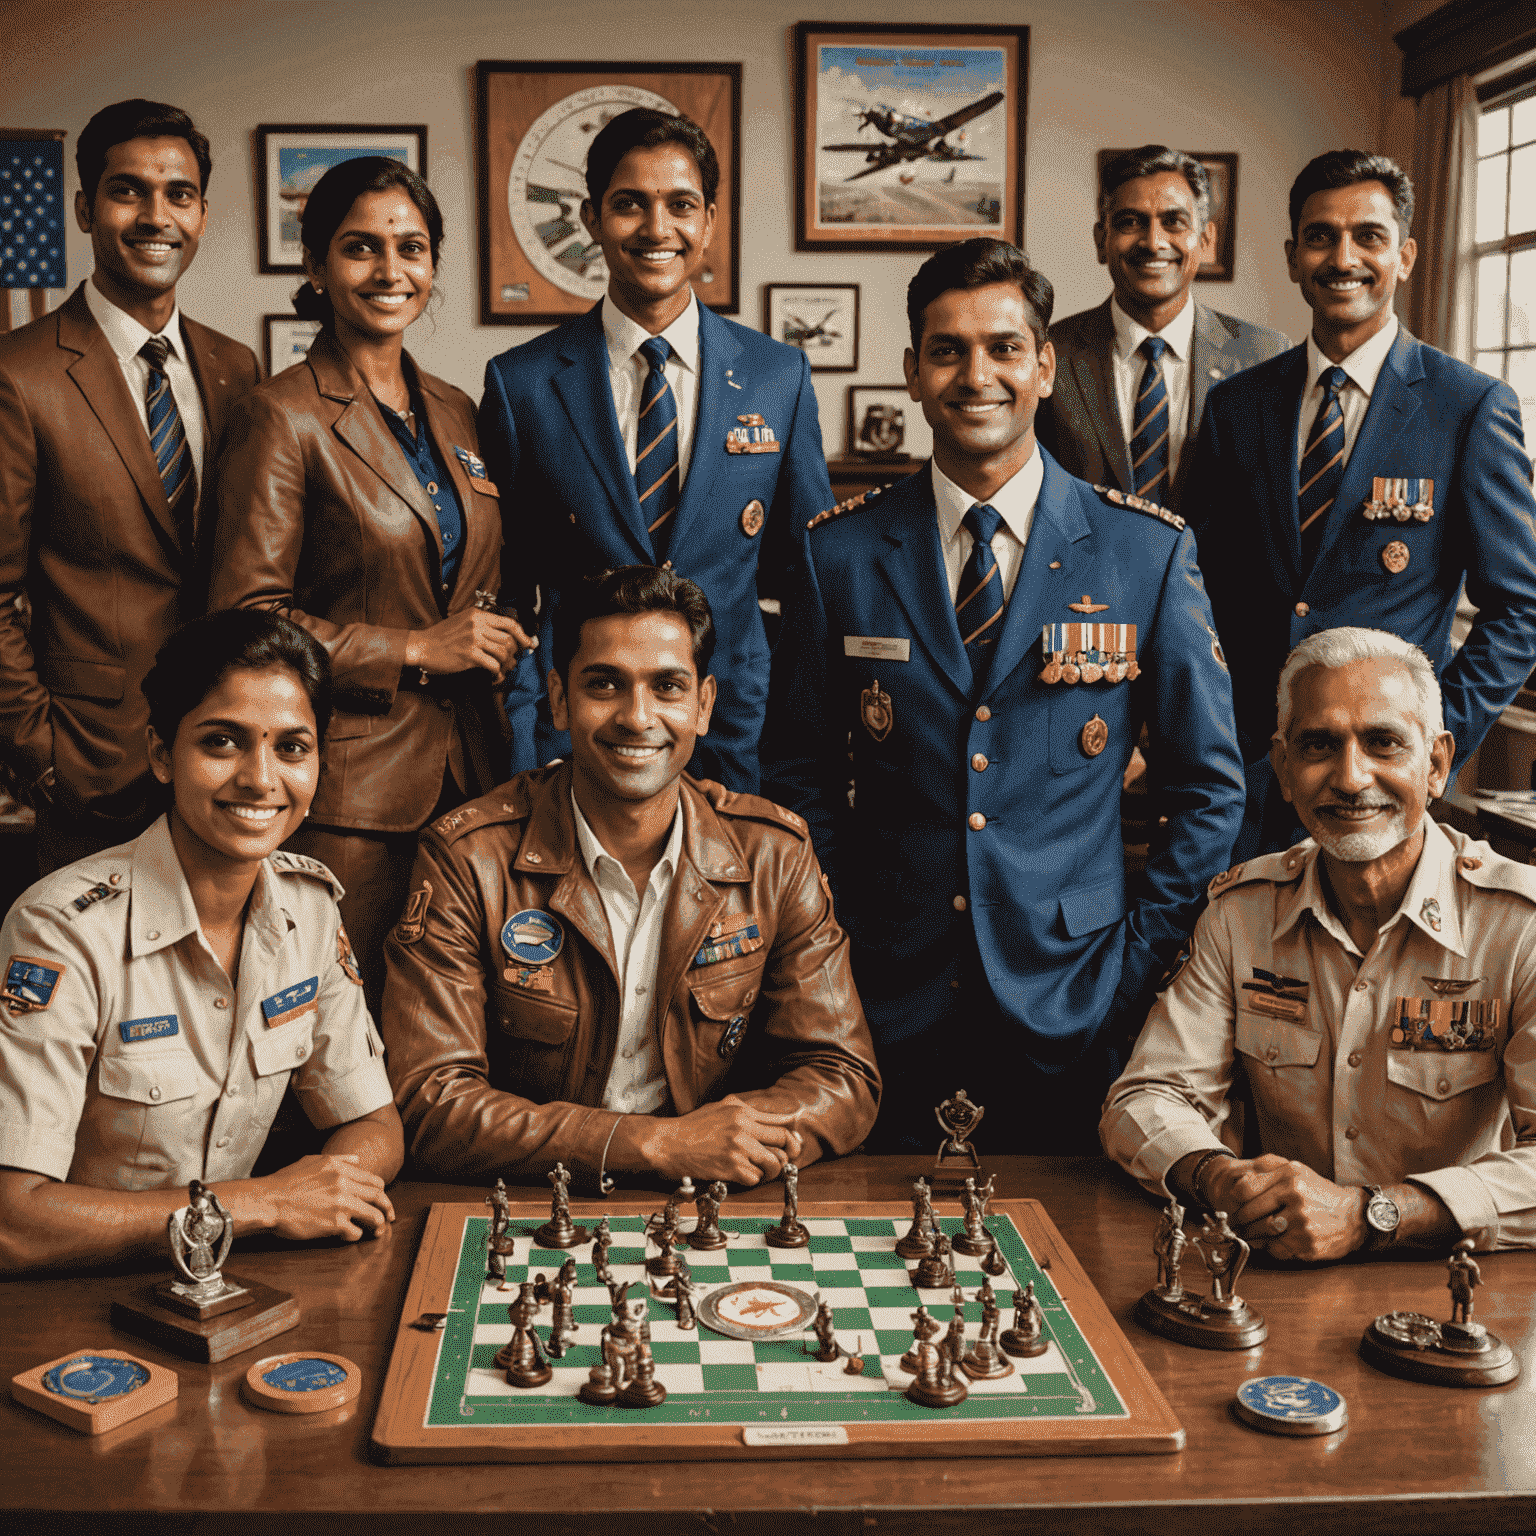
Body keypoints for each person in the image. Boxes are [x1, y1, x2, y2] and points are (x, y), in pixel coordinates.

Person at [760, 238, 1244, 1153]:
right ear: (911, 371)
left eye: (1003, 348)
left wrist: (1139, 956)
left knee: (1059, 1267)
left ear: (1045, 366)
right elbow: (796, 774)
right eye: (947, 350)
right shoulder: (840, 554)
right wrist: (839, 935)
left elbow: (1209, 788)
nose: (975, 375)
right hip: (883, 990)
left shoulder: (1144, 553)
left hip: (1077, 997)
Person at [381, 565, 880, 1189]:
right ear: (560, 700)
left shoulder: (774, 856)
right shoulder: (468, 859)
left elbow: (840, 1076)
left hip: (716, 1205)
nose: (637, 717)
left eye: (668, 687)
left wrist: (730, 1139)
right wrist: (655, 1146)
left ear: (704, 706)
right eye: (605, 685)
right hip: (535, 1208)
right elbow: (429, 1099)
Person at [1102, 627, 1536, 1258]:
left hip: (1456, 1287)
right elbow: (1148, 1095)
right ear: (1282, 770)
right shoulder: (1241, 916)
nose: (1352, 777)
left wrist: (1373, 1215)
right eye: (1319, 746)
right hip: (1274, 1277)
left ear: (1437, 765)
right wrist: (1217, 1177)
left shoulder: (1518, 926)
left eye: (1384, 743)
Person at [210, 156, 531, 1008]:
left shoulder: (460, 409)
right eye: (361, 248)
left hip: (478, 778)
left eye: (411, 247)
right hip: (355, 793)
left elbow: (473, 574)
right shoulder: (282, 413)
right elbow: (244, 619)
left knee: (457, 1026)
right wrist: (418, 649)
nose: (391, 271)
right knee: (338, 1027)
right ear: (315, 267)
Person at [0, 608, 402, 1274]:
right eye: (222, 742)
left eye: (292, 748)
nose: (260, 778)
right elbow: (12, 1222)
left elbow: (374, 1125)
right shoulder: (61, 932)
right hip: (71, 1293)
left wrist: (323, 1189)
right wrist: (264, 1204)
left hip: (226, 1280)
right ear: (162, 754)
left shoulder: (309, 911)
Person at [1183, 150, 1536, 853]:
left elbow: (1520, 608)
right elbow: (1194, 594)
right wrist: (1203, 740)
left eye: (1368, 237)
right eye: (1321, 236)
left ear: (1404, 255)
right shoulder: (1236, 407)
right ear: (1292, 256)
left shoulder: (1468, 408)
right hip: (1244, 783)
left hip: (1379, 786)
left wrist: (1430, 745)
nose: (1343, 257)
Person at [479, 108, 833, 792]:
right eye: (628, 205)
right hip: (582, 731)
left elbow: (808, 582)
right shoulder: (521, 384)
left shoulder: (776, 376)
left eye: (680, 205)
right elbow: (508, 595)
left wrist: (794, 727)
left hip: (734, 732)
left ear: (708, 221)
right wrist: (530, 727)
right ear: (590, 219)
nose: (656, 228)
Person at [0, 99, 262, 874]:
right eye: (128, 191)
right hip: (91, 767)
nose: (156, 216)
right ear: (85, 208)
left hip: (227, 763)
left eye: (178, 194)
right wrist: (41, 753)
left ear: (203, 214)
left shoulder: (235, 367)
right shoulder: (19, 375)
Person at [1038, 145, 1286, 515]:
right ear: (1100, 241)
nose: (1153, 242)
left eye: (1174, 222)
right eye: (1130, 222)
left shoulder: (1265, 356)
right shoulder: (1049, 354)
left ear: (1205, 241)